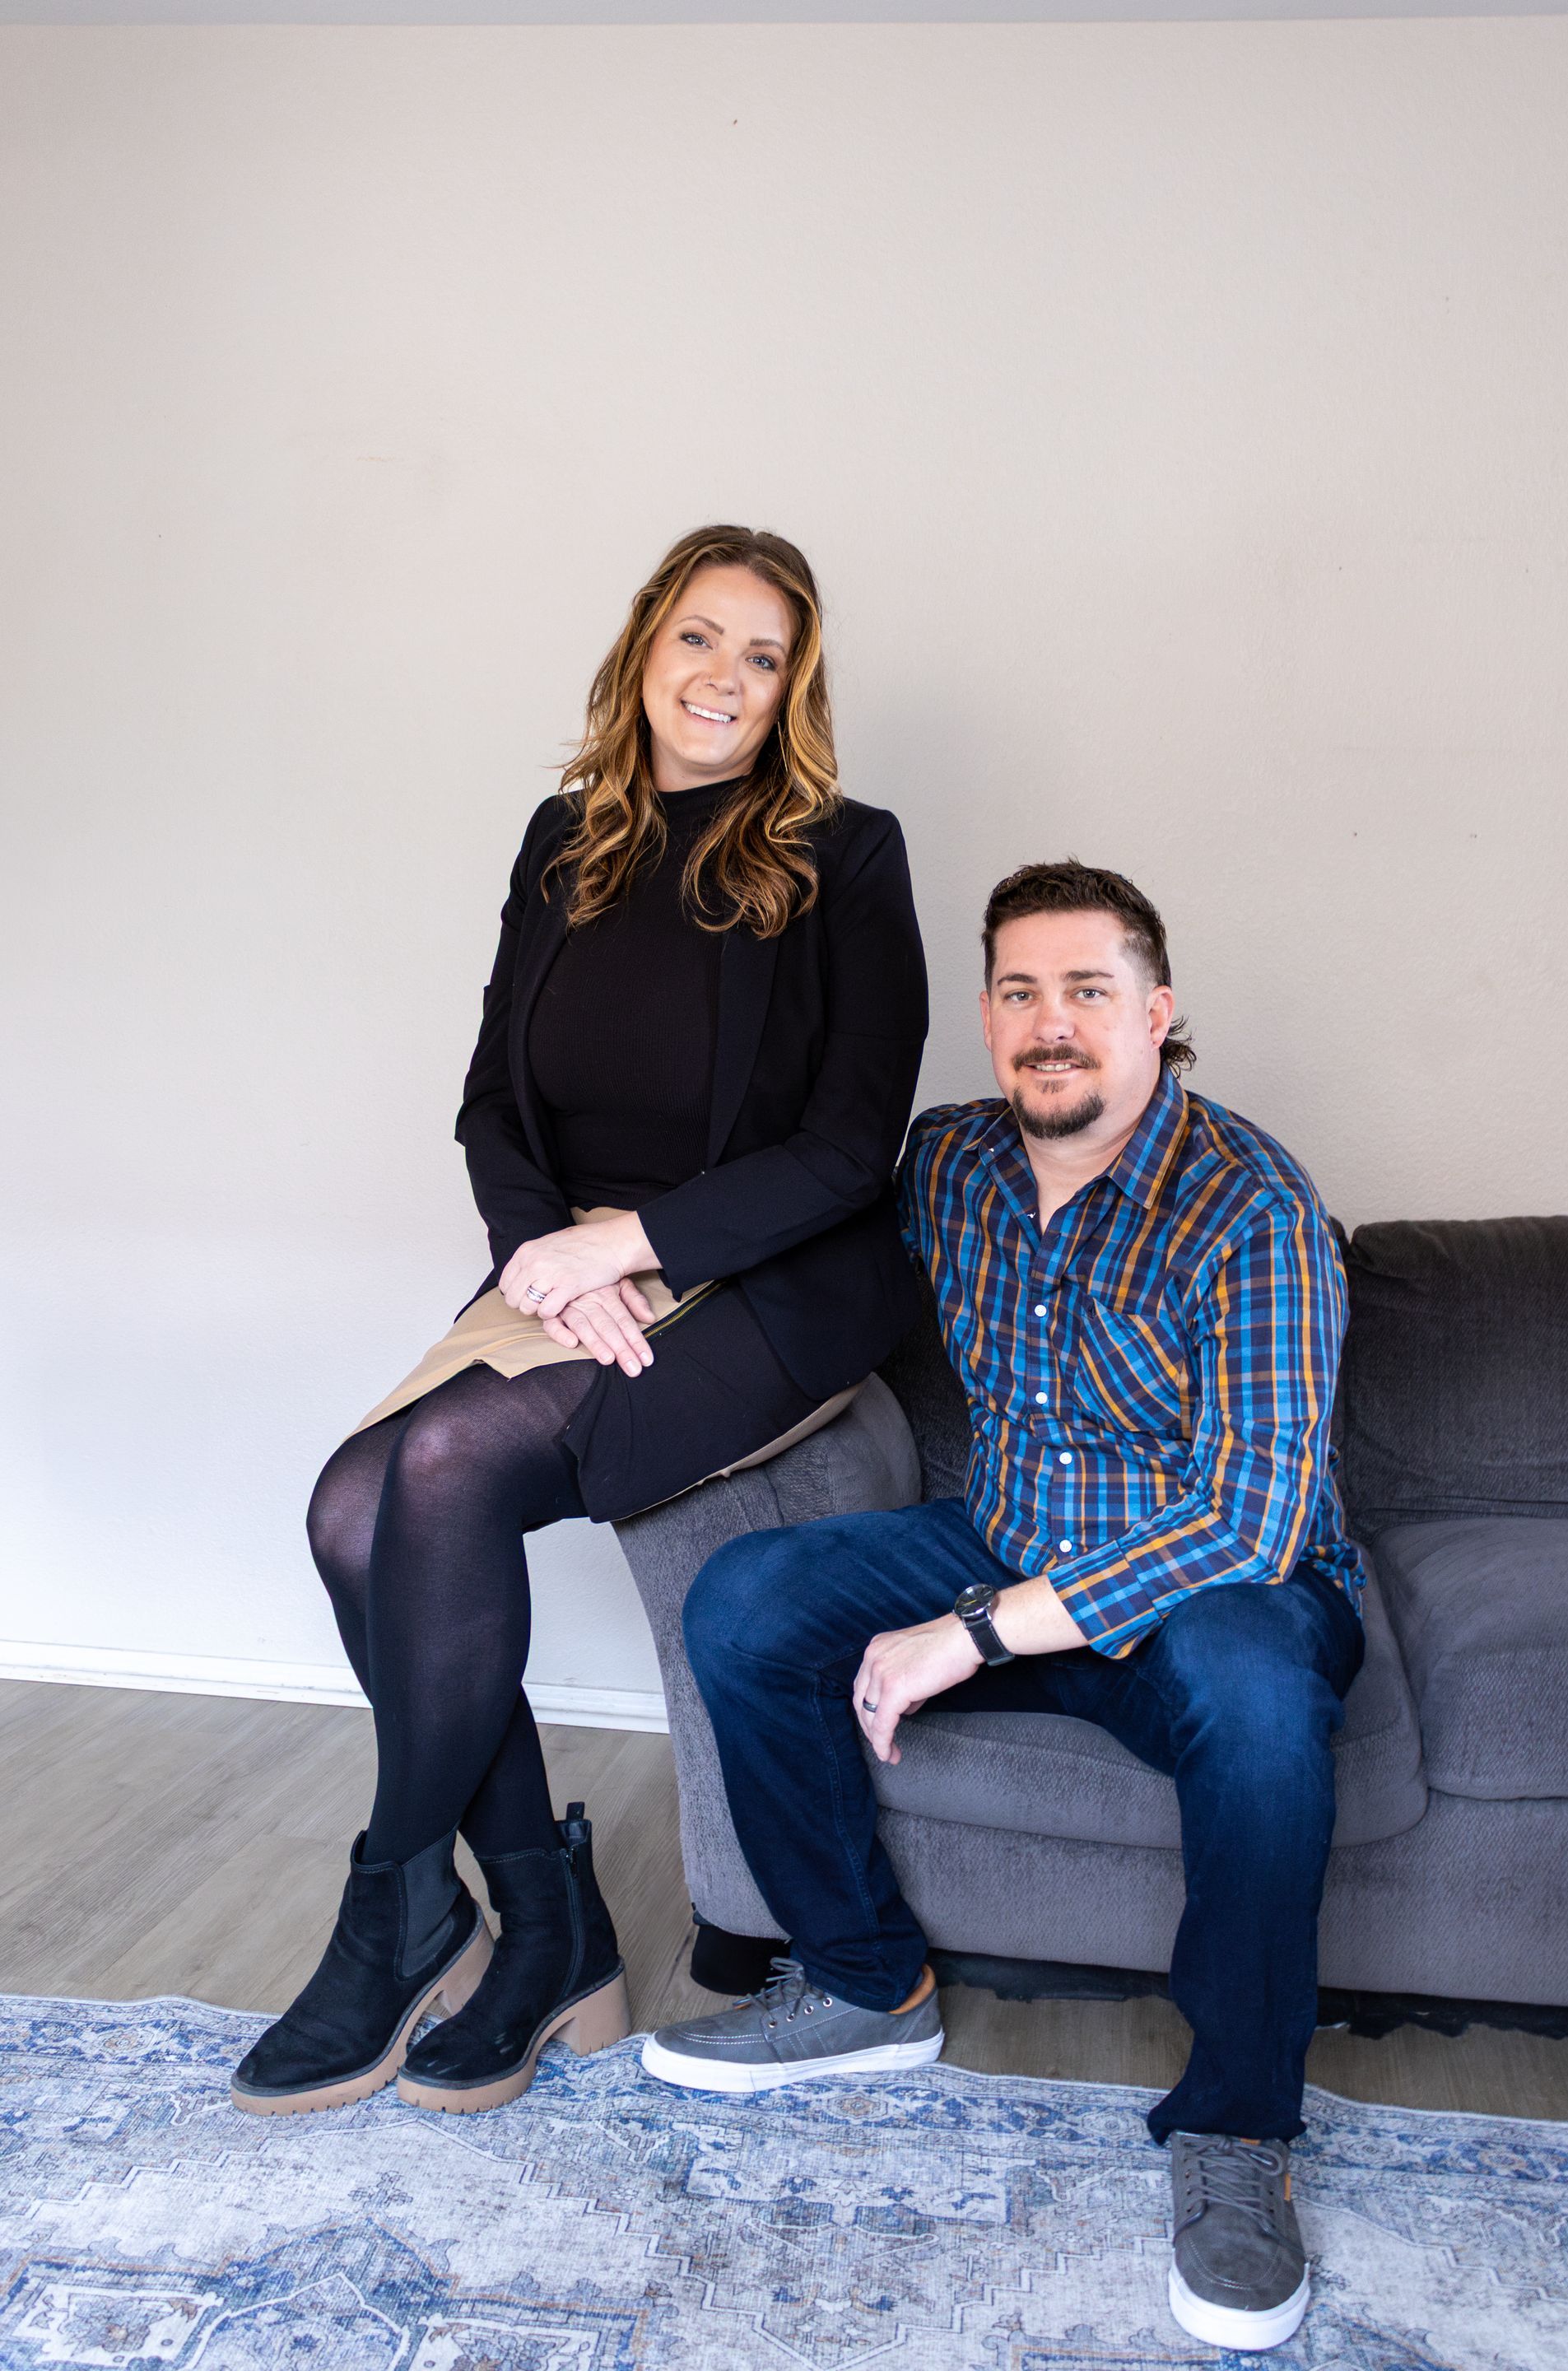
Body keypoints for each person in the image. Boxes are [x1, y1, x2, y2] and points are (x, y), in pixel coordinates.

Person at [230, 524, 928, 2119]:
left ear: (792, 692)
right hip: (566, 1269)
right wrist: (553, 1251)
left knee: (448, 1469)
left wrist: (645, 1237)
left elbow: (847, 1147)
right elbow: (490, 1102)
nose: (725, 680)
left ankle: (402, 1907)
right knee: (349, 1509)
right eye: (702, 639)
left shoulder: (849, 853)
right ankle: (546, 1918)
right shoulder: (569, 839)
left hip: (761, 1281)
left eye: (765, 658)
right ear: (644, 650)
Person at [646, 859, 1366, 2355]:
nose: (1054, 1024)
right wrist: (614, 1270)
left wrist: (968, 1635)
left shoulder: (1253, 1204)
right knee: (743, 1601)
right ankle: (862, 1984)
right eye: (1022, 993)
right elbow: (783, 1232)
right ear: (987, 1020)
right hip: (1003, 1532)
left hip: (1214, 1589)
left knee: (1257, 1702)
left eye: (1089, 991)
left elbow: (1253, 1516)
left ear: (1159, 1015)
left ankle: (1238, 2131)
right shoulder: (953, 1164)